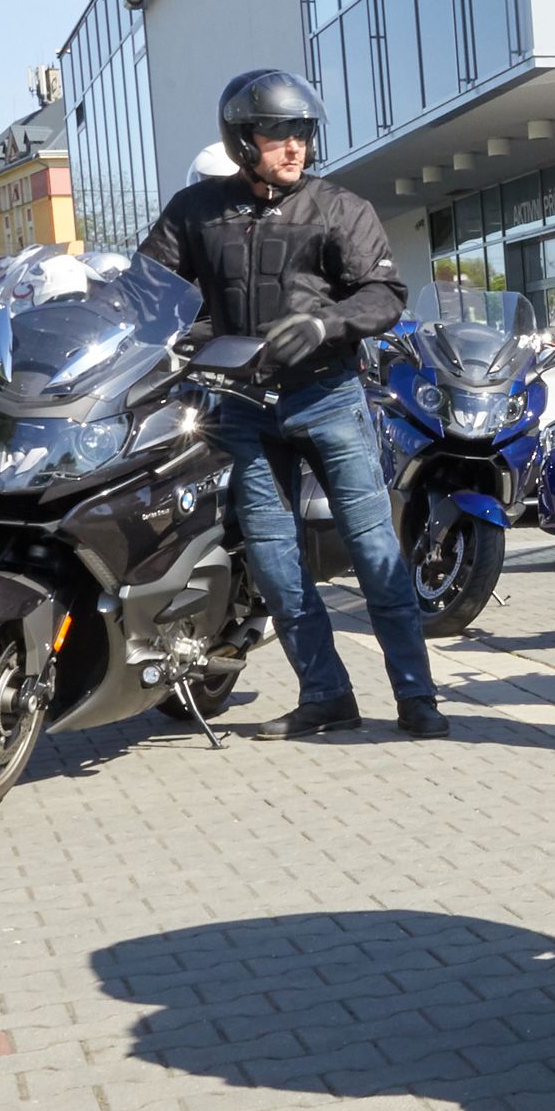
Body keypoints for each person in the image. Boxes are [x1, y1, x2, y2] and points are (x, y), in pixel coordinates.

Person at [139, 70, 444, 740]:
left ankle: (417, 697)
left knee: (374, 551)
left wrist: (324, 323)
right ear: (242, 140)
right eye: (278, 133)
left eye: (302, 132)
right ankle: (326, 696)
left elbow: (384, 294)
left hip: (328, 397)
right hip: (243, 408)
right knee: (275, 561)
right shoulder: (195, 211)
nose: (295, 146)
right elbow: (147, 293)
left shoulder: (339, 208)